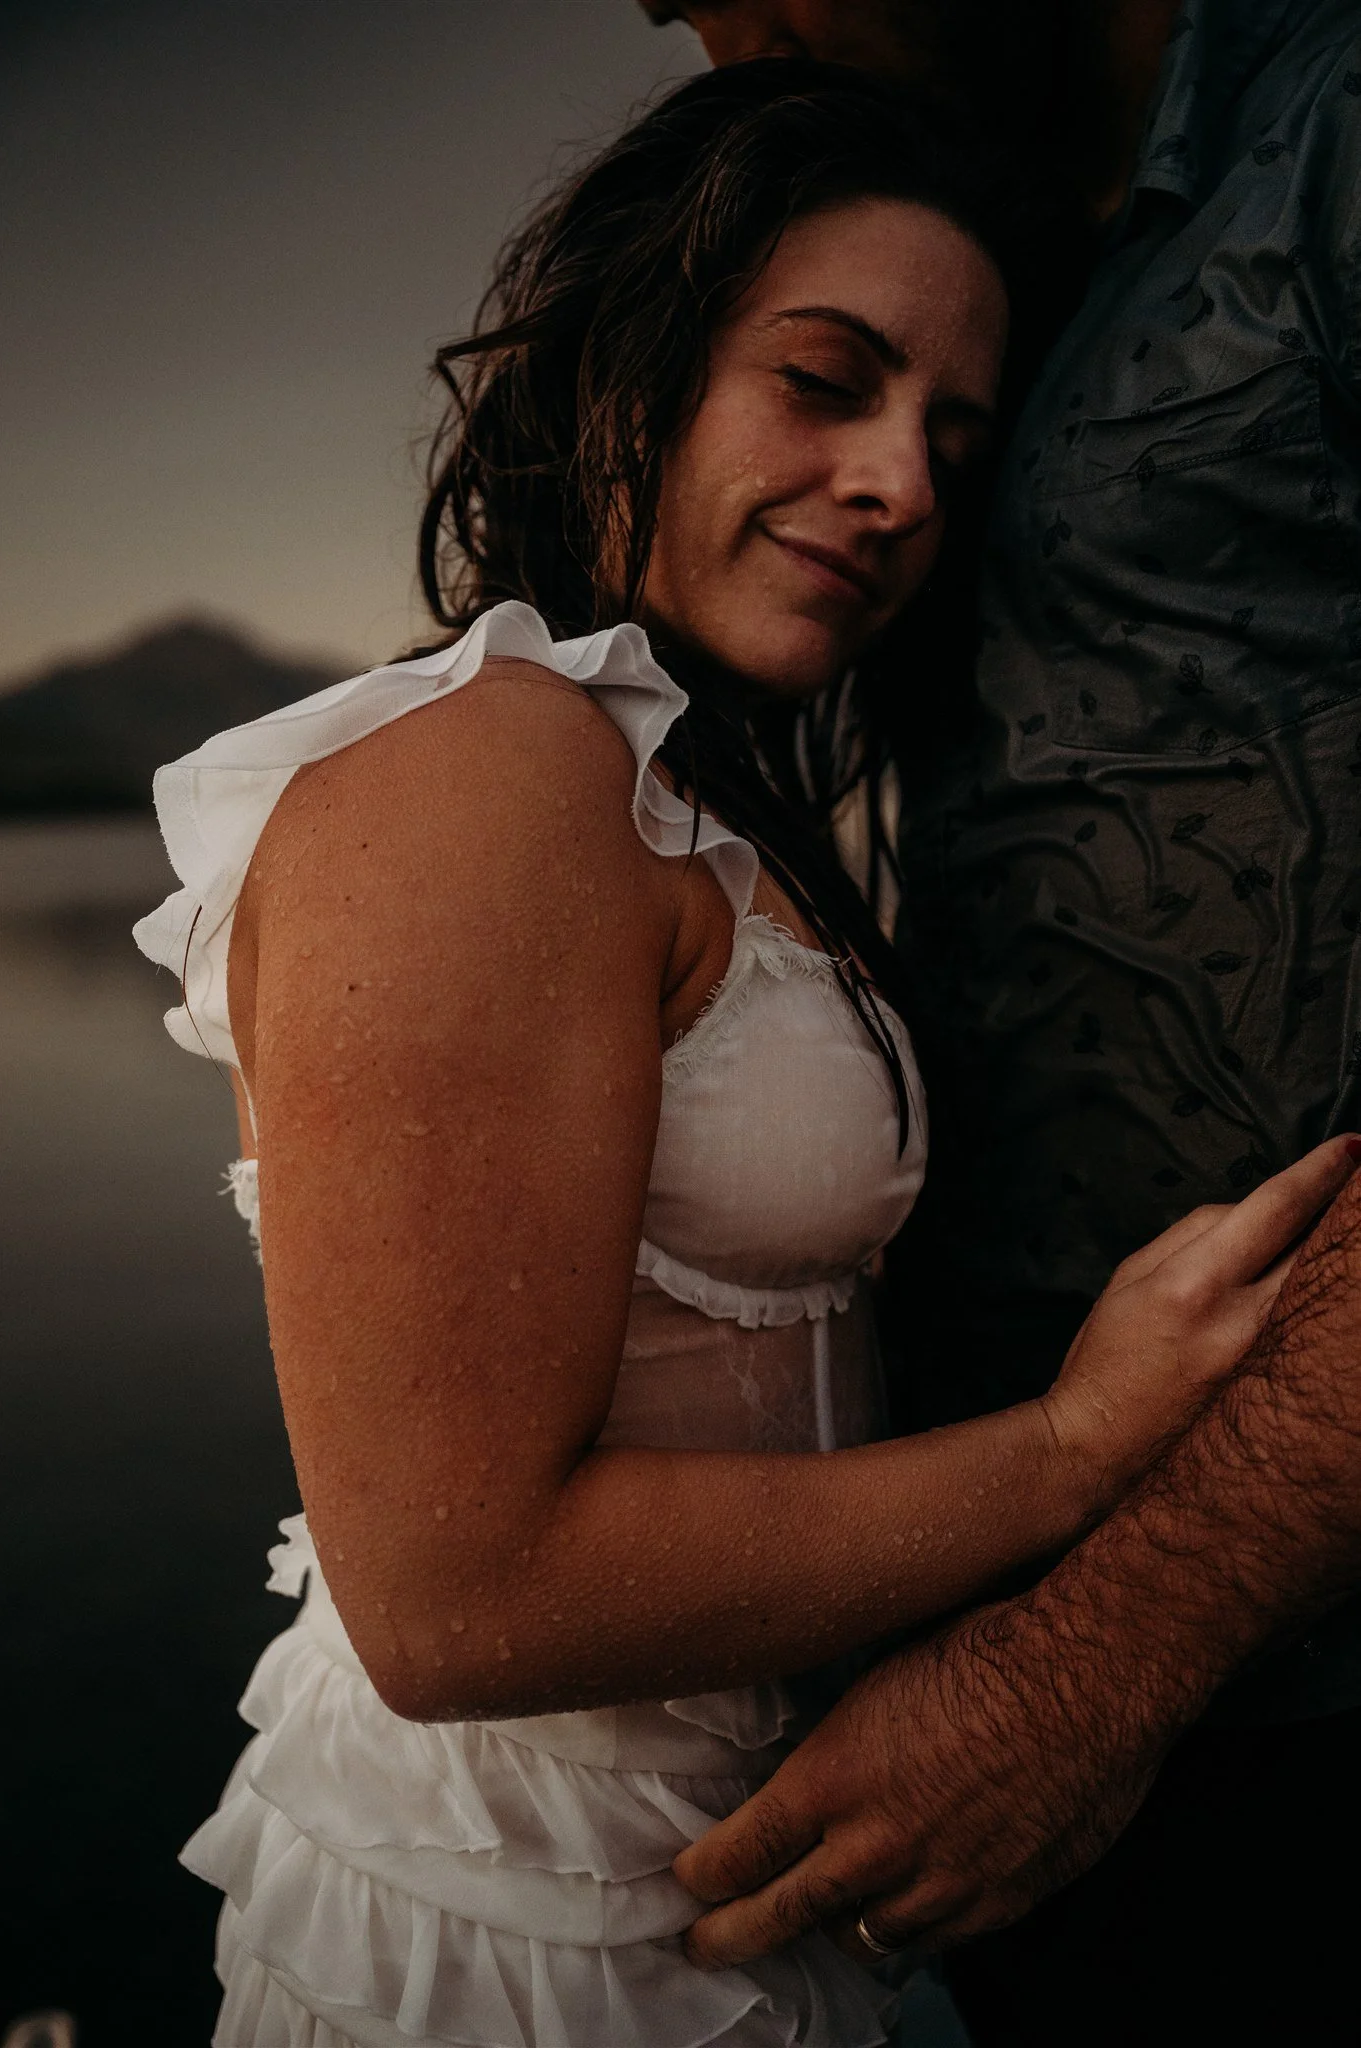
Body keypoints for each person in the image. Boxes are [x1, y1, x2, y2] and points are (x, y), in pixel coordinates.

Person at [133, 58, 1355, 2048]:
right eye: (823, 379)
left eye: (952, 438)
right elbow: (458, 1595)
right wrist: (1073, 1450)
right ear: (631, 362)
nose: (900, 487)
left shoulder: (671, 793)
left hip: (737, 1858)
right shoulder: (488, 768)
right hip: (527, 1926)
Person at [648, 6, 1361, 2044]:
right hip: (964, 1662)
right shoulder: (962, 244)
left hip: (1266, 1659)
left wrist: (1107, 1651)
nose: (693, 20)